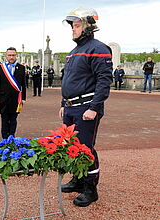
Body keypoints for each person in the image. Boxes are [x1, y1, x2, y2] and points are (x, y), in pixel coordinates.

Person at [59, 7, 113, 207]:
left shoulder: (98, 48)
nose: (73, 30)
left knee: (85, 148)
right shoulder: (74, 52)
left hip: (86, 108)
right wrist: (63, 103)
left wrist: (94, 107)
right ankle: (78, 180)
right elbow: (68, 80)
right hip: (71, 108)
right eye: (72, 26)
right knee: (72, 147)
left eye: (77, 25)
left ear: (88, 26)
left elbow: (103, 81)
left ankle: (90, 188)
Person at [0, 47, 26, 139]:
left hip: (16, 99)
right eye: (9, 55)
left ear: (16, 56)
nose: (11, 57)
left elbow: (23, 84)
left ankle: (12, 137)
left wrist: (23, 98)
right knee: (4, 120)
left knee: (13, 119)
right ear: (6, 56)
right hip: (3, 99)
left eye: (13, 55)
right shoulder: (0, 68)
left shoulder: (21, 68)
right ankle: (4, 139)